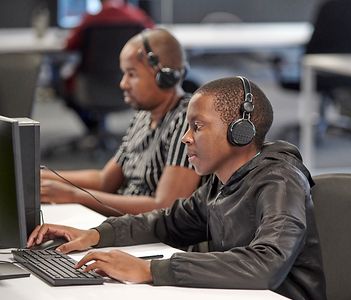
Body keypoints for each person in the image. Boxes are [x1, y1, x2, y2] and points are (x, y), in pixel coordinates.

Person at [30, 77, 326, 299]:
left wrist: (149, 270)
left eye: (197, 126)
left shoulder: (280, 180)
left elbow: (266, 264)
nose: (185, 138)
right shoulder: (221, 182)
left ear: (241, 131)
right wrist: (97, 234)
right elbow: (166, 222)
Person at [41, 28, 202, 216]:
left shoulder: (185, 121)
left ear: (164, 77)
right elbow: (105, 181)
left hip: (151, 235)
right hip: (124, 223)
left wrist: (76, 196)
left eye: (131, 74)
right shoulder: (144, 116)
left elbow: (165, 207)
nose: (123, 83)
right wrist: (41, 177)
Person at [62, 0, 155, 132]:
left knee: (61, 79)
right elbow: (154, 40)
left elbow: (69, 46)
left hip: (90, 88)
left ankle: (93, 128)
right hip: (130, 86)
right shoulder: (138, 18)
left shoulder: (90, 20)